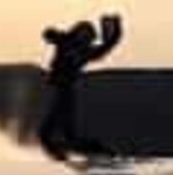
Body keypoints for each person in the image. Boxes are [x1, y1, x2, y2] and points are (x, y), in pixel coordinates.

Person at [38, 13, 123, 160]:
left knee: (54, 134)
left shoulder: (87, 52)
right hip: (62, 89)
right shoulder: (66, 40)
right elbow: (48, 34)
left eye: (88, 36)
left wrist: (116, 28)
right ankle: (65, 154)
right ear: (76, 32)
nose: (85, 38)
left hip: (66, 91)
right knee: (57, 134)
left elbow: (109, 44)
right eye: (83, 34)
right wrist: (53, 34)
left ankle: (101, 152)